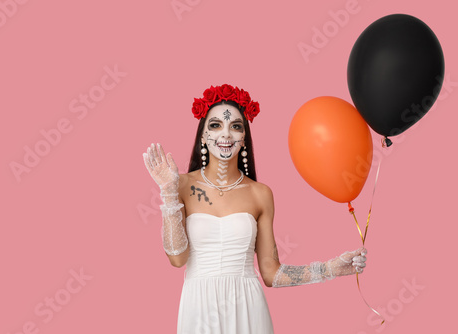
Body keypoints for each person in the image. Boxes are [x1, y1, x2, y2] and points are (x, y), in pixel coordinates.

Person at [143, 84, 367, 334]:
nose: (225, 134)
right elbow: (177, 258)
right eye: (215, 125)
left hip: (248, 308)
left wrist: (329, 269)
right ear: (203, 136)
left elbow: (271, 273)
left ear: (244, 138)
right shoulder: (181, 185)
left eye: (235, 126)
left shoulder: (260, 194)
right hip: (198, 310)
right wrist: (168, 191)